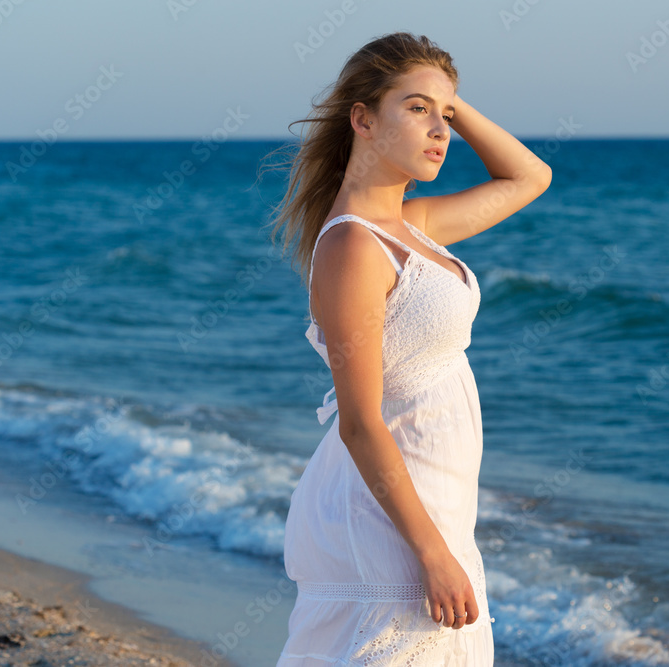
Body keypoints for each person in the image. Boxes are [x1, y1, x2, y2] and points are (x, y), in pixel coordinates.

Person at [263, 31, 552, 665]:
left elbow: (530, 176)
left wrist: (448, 99)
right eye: (416, 109)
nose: (440, 131)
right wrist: (431, 552)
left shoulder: (411, 228)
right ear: (362, 119)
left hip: (439, 502)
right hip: (391, 518)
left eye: (445, 117)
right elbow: (360, 423)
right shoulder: (353, 246)